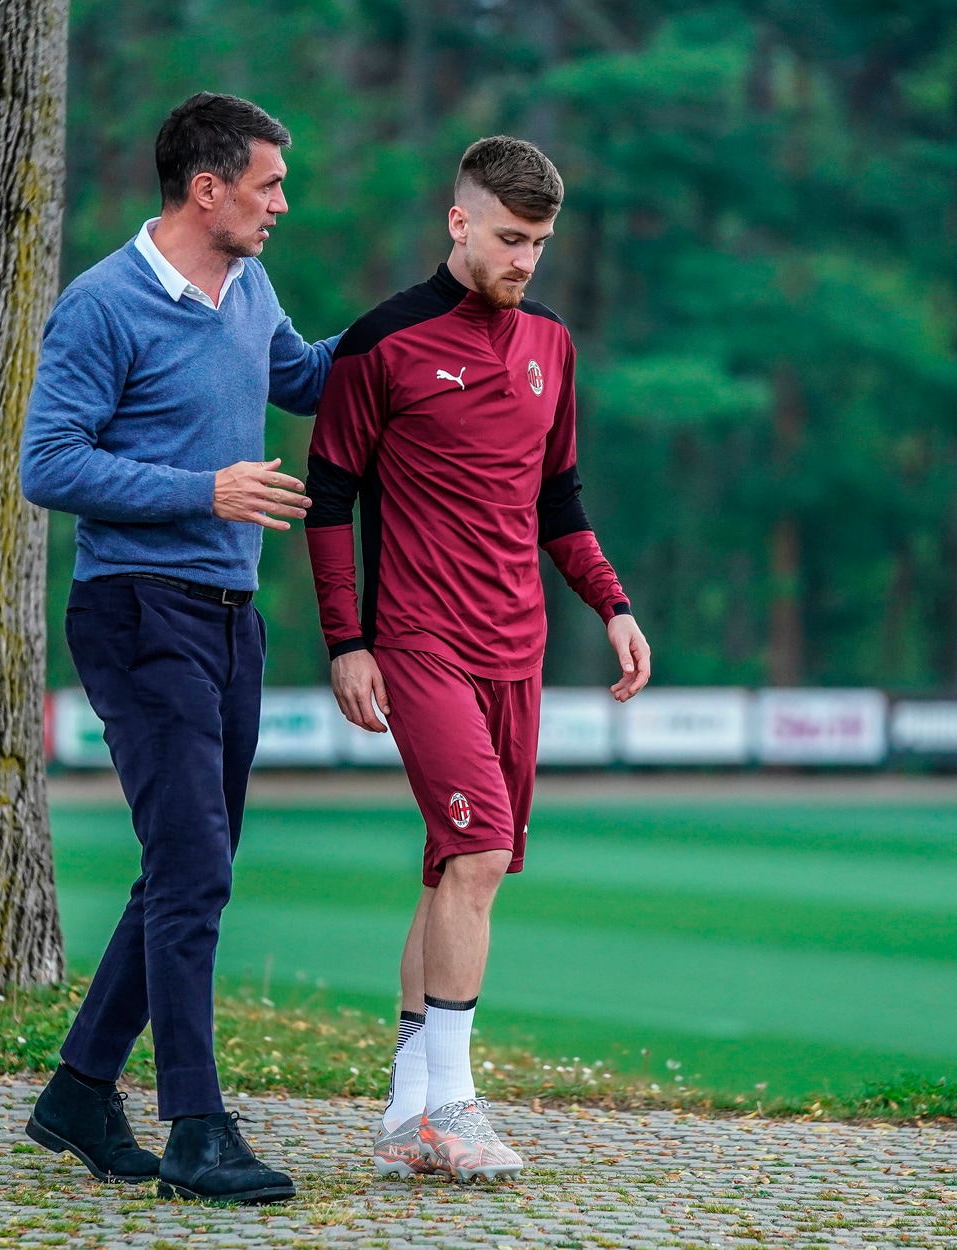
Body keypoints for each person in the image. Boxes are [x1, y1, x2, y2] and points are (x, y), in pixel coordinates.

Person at [304, 136, 652, 1183]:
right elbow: (329, 499)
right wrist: (346, 641)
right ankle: (454, 1106)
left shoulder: (552, 341)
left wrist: (612, 603)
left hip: (518, 645)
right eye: (508, 238)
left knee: (454, 865)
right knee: (481, 851)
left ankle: (404, 1114)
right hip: (418, 640)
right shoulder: (380, 343)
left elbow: (559, 500)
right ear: (458, 222)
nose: (524, 260)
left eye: (538, 243)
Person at [17, 92, 337, 1205]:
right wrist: (204, 490)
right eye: (267, 185)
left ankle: (78, 1092)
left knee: (185, 866)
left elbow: (305, 378)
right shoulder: (102, 304)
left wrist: (434, 310)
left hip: (229, 615)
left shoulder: (249, 287)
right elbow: (48, 463)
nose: (280, 205)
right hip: (135, 611)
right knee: (194, 866)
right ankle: (196, 1128)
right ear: (207, 189)